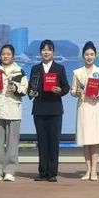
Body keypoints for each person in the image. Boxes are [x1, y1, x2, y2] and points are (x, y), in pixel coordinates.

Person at [28, 39, 70, 182]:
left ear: (53, 52)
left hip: (55, 110)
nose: (46, 52)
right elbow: (30, 87)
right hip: (39, 109)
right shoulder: (35, 68)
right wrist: (31, 93)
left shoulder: (59, 68)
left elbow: (66, 87)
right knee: (42, 142)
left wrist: (60, 91)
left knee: (53, 142)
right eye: (44, 50)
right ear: (40, 52)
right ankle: (42, 172)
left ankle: (52, 173)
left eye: (49, 50)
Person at [0, 44, 28, 182]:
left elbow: (25, 90)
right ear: (0, 56)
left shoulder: (19, 71)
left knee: (12, 143)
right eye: (3, 54)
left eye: (8, 54)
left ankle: (10, 171)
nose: (5, 56)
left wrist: (15, 88)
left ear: (13, 56)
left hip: (13, 111)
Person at [70, 41, 99, 181]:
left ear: (95, 56)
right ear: (83, 56)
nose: (89, 57)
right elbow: (72, 90)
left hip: (95, 106)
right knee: (86, 140)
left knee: (95, 140)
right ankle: (88, 170)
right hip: (83, 107)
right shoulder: (77, 72)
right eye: (87, 54)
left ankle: (94, 170)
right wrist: (77, 92)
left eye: (92, 54)